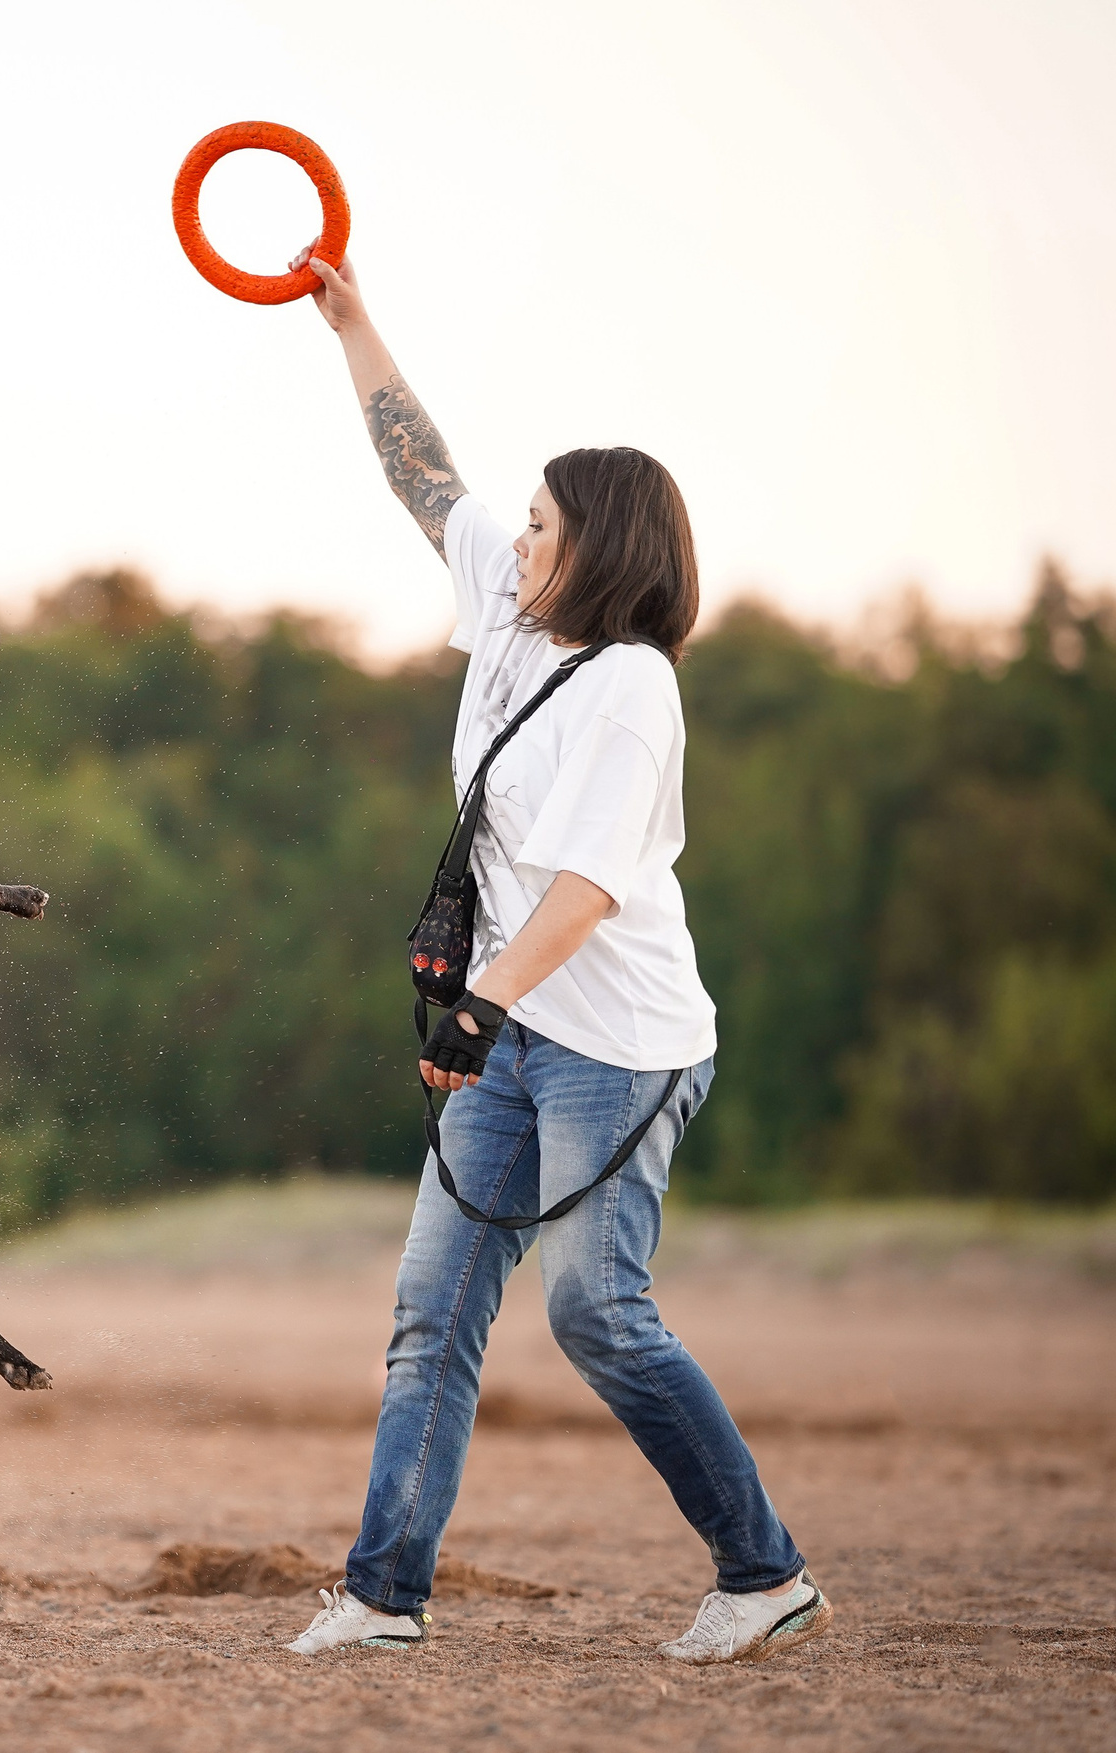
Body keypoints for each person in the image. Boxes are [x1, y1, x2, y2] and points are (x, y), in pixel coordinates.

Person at [280, 254, 830, 1665]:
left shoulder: (633, 689)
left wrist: (477, 1005)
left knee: (597, 1307)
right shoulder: (510, 618)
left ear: (602, 546)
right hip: (513, 1031)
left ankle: (762, 1570)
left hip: (623, 1043)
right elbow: (421, 473)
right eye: (518, 525)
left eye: (538, 526)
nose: (512, 542)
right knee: (432, 1313)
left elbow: (586, 886)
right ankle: (384, 1596)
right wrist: (353, 325)